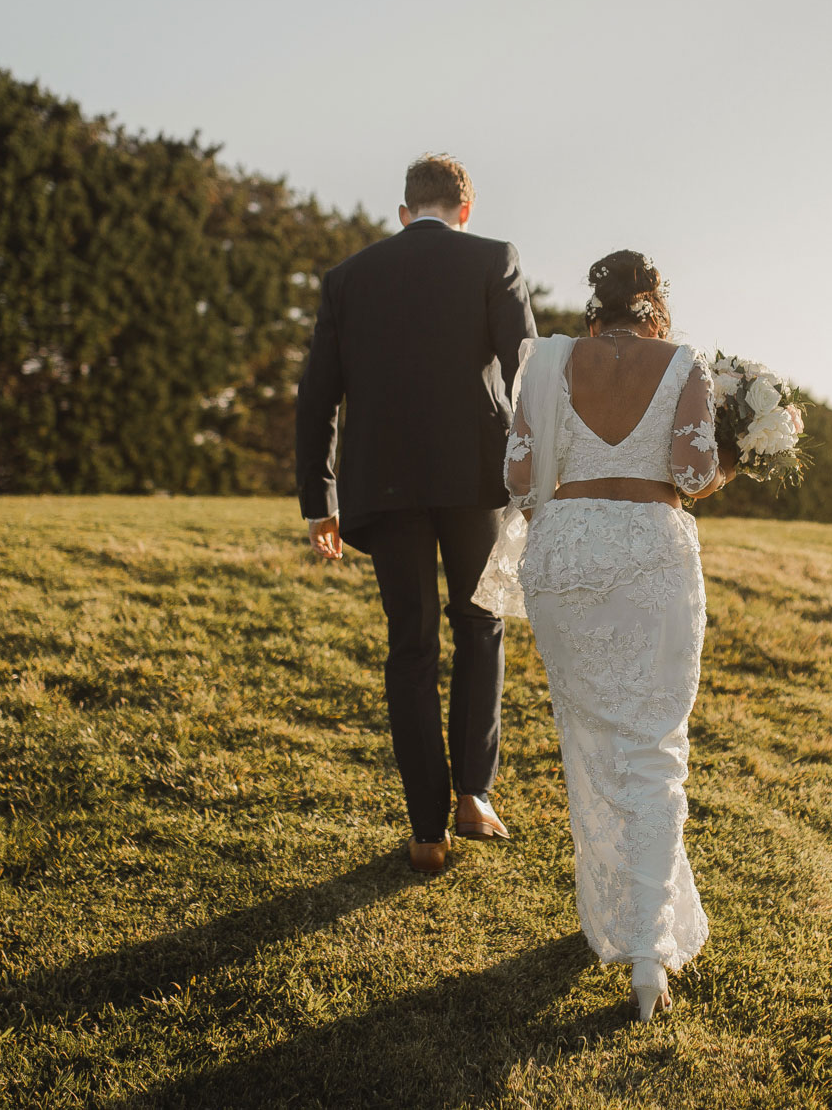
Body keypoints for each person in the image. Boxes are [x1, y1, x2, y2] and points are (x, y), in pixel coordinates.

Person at [488, 249, 737, 1022]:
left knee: (591, 740)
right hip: (650, 553)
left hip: (564, 555)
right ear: (656, 311)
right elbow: (693, 477)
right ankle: (647, 955)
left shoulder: (549, 360)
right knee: (654, 745)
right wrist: (739, 455)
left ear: (598, 311)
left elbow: (521, 480)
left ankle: (615, 917)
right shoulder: (684, 360)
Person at [295, 153, 537, 875]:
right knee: (481, 625)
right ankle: (475, 796)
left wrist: (321, 501)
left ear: (404, 212)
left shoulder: (347, 278)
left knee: (411, 646)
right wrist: (535, 473)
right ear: (465, 209)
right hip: (476, 479)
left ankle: (426, 831)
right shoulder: (495, 258)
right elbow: (525, 368)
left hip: (382, 483)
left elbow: (317, 396)